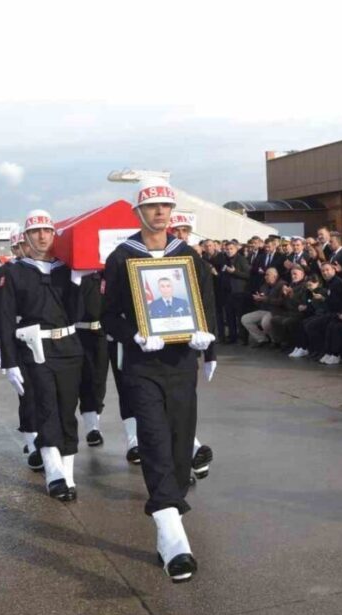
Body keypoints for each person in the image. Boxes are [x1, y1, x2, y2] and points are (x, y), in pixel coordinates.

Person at [101, 177, 217, 583]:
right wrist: (133, 334)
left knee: (181, 441)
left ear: (172, 212)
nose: (159, 212)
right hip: (142, 365)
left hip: (182, 362)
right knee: (153, 439)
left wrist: (210, 346)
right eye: (152, 207)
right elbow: (108, 314)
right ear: (139, 213)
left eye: (166, 206)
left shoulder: (188, 256)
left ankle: (170, 523)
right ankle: (173, 539)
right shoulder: (121, 257)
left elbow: (205, 303)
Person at [0, 210, 84, 501]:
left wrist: (78, 283)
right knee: (46, 407)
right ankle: (53, 472)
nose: (42, 236)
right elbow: (5, 318)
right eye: (35, 232)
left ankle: (67, 474)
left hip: (68, 347)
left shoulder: (66, 269)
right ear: (26, 236)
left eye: (47, 230)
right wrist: (9, 361)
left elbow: (77, 313)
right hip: (35, 350)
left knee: (67, 409)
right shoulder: (14, 271)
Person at [0, 231, 43, 470]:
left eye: (23, 245)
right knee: (26, 394)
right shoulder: (5, 272)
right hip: (16, 340)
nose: (21, 250)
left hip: (41, 341)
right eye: (17, 246)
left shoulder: (41, 268)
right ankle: (32, 442)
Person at [74, 265, 108, 448]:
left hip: (101, 333)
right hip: (78, 332)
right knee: (80, 381)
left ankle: (94, 426)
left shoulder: (106, 273)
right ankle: (88, 428)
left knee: (98, 381)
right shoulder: (77, 273)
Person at [242, 268, 285, 347]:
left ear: (275, 276)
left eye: (268, 275)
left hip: (275, 310)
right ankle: (262, 339)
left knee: (265, 322)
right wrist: (258, 299)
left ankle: (275, 341)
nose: (265, 277)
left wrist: (265, 299)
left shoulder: (281, 285)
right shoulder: (264, 286)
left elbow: (281, 302)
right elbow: (261, 300)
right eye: (265, 275)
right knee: (245, 318)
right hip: (264, 309)